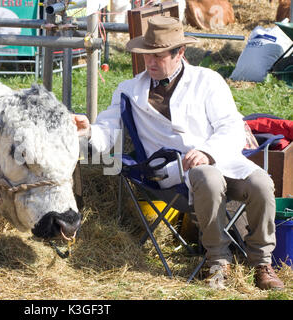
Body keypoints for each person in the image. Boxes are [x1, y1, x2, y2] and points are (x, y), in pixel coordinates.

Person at [73, 16, 284, 290]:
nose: (150, 63)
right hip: (173, 175)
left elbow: (231, 125)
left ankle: (261, 263)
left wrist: (208, 152)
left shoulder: (208, 80)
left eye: (159, 56)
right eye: (148, 56)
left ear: (180, 53)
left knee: (262, 183)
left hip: (223, 160)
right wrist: (90, 129)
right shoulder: (129, 90)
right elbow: (109, 130)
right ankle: (218, 260)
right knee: (206, 177)